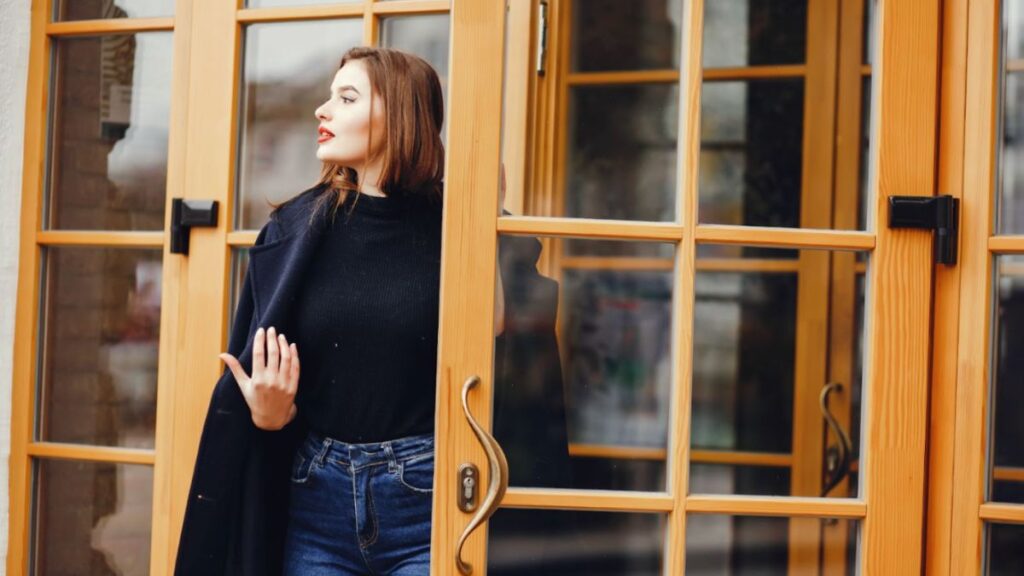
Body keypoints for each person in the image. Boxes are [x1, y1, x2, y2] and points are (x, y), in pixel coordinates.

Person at [174, 46, 571, 576]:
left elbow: (496, 330)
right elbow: (255, 382)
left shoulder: (455, 223)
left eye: (347, 97)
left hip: (431, 499)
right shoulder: (295, 230)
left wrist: (481, 222)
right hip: (315, 500)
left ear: (401, 114)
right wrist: (270, 416)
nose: (323, 110)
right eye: (329, 96)